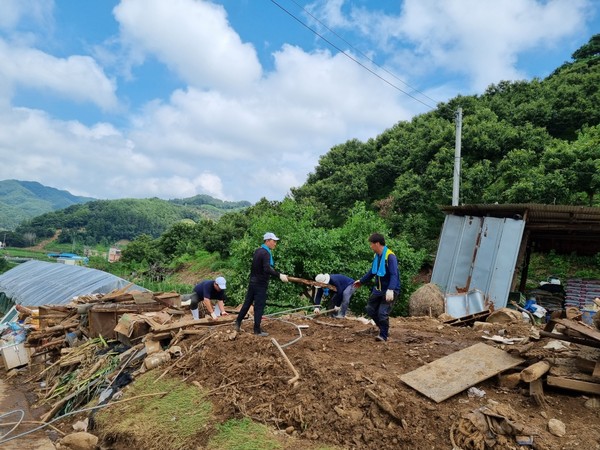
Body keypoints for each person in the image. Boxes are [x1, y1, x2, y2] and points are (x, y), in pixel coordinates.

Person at [234, 232, 289, 336]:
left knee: (247, 303)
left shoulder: (258, 251)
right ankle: (257, 330)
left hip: (252, 282)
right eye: (274, 241)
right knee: (259, 306)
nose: (275, 244)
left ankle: (237, 323)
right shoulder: (266, 253)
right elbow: (267, 268)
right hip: (260, 284)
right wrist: (279, 275)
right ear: (267, 241)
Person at [354, 233, 400, 342]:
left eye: (371, 244)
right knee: (370, 308)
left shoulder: (390, 257)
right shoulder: (377, 256)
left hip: (390, 290)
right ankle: (383, 328)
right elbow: (372, 272)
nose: (370, 246)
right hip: (378, 289)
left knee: (382, 313)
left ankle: (383, 335)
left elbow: (394, 275)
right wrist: (361, 281)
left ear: (377, 244)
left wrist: (391, 289)